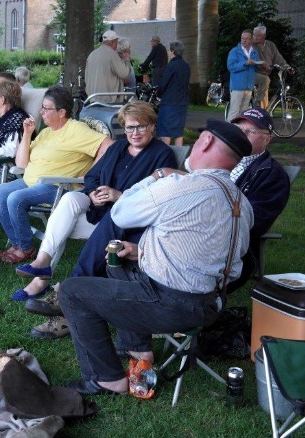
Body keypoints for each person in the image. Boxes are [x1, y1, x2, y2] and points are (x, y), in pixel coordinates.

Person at [59, 119, 254, 395]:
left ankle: (106, 378)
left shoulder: (180, 186)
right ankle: (138, 349)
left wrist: (156, 176)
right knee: (119, 264)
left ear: (206, 142)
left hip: (171, 305)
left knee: (71, 292)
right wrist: (142, 252)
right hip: (211, 304)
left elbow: (120, 212)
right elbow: (213, 255)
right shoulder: (241, 202)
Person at [12, 101, 177, 305]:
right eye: (129, 127)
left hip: (122, 226)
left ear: (152, 126)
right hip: (96, 211)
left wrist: (119, 196)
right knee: (70, 199)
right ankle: (42, 262)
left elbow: (159, 197)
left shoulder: (162, 155)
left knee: (60, 225)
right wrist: (92, 193)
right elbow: (91, 176)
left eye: (141, 127)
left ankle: (45, 282)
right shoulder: (117, 148)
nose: (134, 133)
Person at [0, 85, 113, 265]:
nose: (41, 112)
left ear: (61, 112)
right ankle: (18, 243)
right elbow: (21, 164)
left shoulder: (76, 130)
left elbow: (108, 145)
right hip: (30, 182)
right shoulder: (46, 132)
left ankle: (25, 248)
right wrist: (27, 134)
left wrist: (90, 174)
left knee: (15, 198)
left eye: (46, 108)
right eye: (42, 107)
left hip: (58, 187)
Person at [226, 107, 290, 291]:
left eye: (251, 131)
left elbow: (253, 223)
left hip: (233, 252)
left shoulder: (272, 176)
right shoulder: (220, 158)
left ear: (267, 139)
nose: (242, 135)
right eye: (239, 129)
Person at [156, 40, 191, 146]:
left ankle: (164, 154)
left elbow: (163, 84)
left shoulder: (171, 66)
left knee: (165, 132)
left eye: (168, 50)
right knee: (178, 133)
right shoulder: (186, 66)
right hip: (182, 103)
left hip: (169, 103)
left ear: (172, 51)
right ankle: (179, 155)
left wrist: (158, 93)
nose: (167, 52)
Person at [85, 30, 132, 104]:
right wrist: (127, 59)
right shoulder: (112, 54)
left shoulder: (92, 54)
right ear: (113, 42)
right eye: (117, 42)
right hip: (108, 100)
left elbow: (86, 78)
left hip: (93, 99)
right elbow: (124, 74)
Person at [227, 29, 260, 121]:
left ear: (252, 40)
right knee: (234, 112)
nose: (244, 40)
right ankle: (228, 129)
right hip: (237, 86)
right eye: (242, 38)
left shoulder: (254, 52)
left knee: (244, 113)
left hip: (248, 86)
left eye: (247, 38)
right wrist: (245, 63)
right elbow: (231, 67)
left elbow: (255, 68)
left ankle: (239, 129)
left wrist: (259, 65)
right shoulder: (235, 51)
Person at [252, 25, 288, 109]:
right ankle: (257, 104)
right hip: (252, 72)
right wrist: (262, 64)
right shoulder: (252, 45)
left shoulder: (270, 45)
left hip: (265, 74)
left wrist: (287, 67)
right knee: (265, 80)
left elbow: (278, 58)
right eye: (254, 35)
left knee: (265, 92)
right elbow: (251, 58)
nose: (255, 37)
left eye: (258, 35)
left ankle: (263, 111)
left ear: (264, 35)